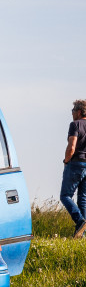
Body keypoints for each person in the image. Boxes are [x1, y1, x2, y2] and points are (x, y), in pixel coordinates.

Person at [61, 99, 86, 239]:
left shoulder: (75, 124)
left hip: (76, 163)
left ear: (78, 111)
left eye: (72, 111)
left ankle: (79, 220)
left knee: (65, 195)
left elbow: (71, 147)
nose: (71, 114)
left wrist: (66, 161)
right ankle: (83, 235)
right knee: (83, 198)